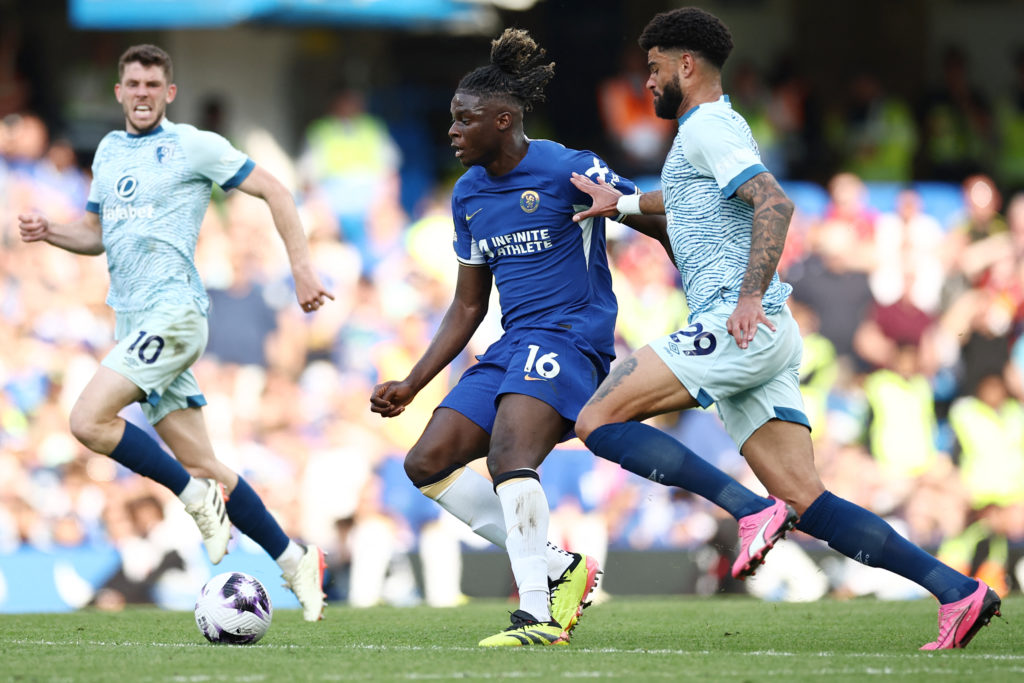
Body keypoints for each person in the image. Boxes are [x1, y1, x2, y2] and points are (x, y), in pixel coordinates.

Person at [569, 7, 1001, 650]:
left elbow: (774, 201)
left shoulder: (708, 126)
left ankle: (747, 511)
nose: (647, 83)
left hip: (739, 324)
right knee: (807, 499)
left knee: (596, 422)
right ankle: (957, 591)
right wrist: (624, 205)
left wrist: (746, 299)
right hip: (765, 334)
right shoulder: (708, 132)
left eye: (654, 68)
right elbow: (686, 205)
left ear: (685, 65)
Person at [370, 28, 665, 647]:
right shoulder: (469, 194)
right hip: (512, 344)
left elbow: (649, 213)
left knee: (510, 459)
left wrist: (712, 282)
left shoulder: (569, 167)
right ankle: (559, 567)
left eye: (463, 120)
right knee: (426, 463)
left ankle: (538, 612)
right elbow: (467, 304)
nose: (450, 131)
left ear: (502, 120)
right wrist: (413, 383)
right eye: (451, 120)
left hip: (571, 338)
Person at [17, 44, 333, 621]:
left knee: (87, 420)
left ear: (169, 93)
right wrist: (50, 232)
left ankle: (192, 499)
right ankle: (295, 560)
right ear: (119, 92)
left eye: (152, 84)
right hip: (138, 327)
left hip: (177, 315)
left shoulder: (194, 146)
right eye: (132, 84)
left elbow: (277, 192)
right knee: (210, 466)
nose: (141, 93)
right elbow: (95, 234)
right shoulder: (109, 153)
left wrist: (303, 271)